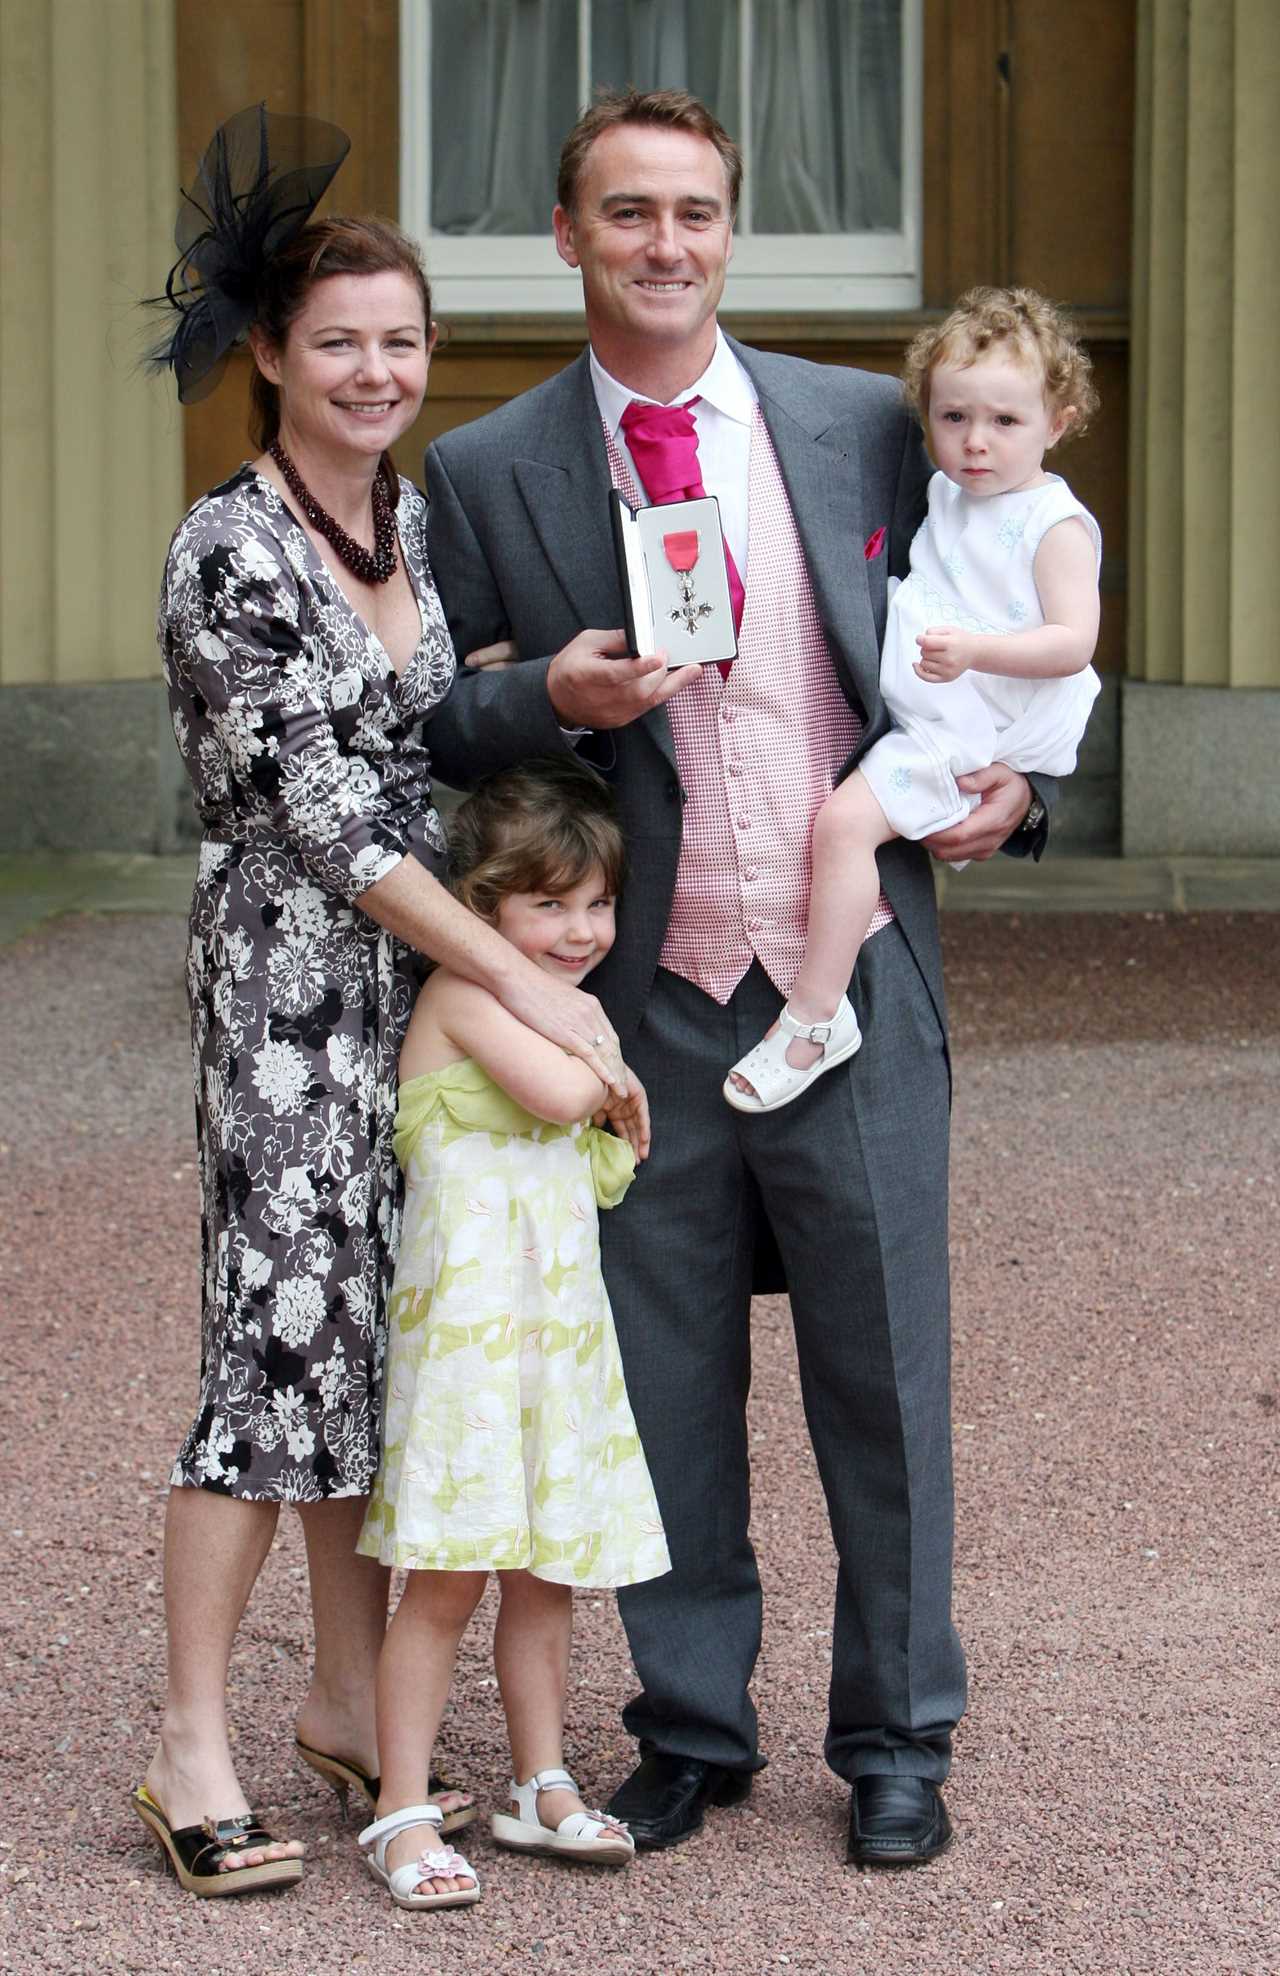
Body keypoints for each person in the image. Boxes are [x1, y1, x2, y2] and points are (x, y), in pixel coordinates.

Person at [423, 89, 1060, 1869]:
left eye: (694, 212)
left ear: (731, 229)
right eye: (626, 213)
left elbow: (1003, 596)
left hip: (850, 977)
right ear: (569, 237)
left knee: (886, 1383)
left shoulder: (864, 424)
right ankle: (692, 1727)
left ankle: (898, 1740)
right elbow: (449, 725)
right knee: (664, 1377)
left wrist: (1025, 785)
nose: (664, 244)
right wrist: (551, 690)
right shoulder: (489, 468)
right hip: (644, 999)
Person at [132, 105, 641, 1900]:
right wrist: (518, 973)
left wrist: (540, 691)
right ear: (267, 355)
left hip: (415, 977)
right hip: (293, 987)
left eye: (402, 340)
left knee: (379, 1341)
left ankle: (352, 1706)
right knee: (271, 1355)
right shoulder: (230, 550)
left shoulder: (406, 514)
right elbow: (334, 813)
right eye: (337, 340)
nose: (375, 369)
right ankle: (193, 1740)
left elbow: (425, 736)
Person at [353, 758, 670, 1911]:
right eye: (548, 904)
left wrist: (607, 1081)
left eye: (596, 904)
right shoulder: (463, 994)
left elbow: (620, 1150)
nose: (582, 931)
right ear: (480, 907)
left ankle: (537, 1780)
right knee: (443, 1578)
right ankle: (398, 1804)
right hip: (470, 1353)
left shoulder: (550, 1008)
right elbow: (560, 1094)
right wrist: (606, 1066)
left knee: (547, 1577)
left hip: (556, 1348)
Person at [726, 287, 1101, 1110]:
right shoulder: (944, 495)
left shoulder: (1052, 524)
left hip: (961, 730)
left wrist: (977, 653)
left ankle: (818, 1013)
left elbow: (1074, 642)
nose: (974, 443)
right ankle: (819, 1005)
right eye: (953, 417)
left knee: (843, 827)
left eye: (1005, 422)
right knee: (841, 829)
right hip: (928, 714)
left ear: (1059, 421)